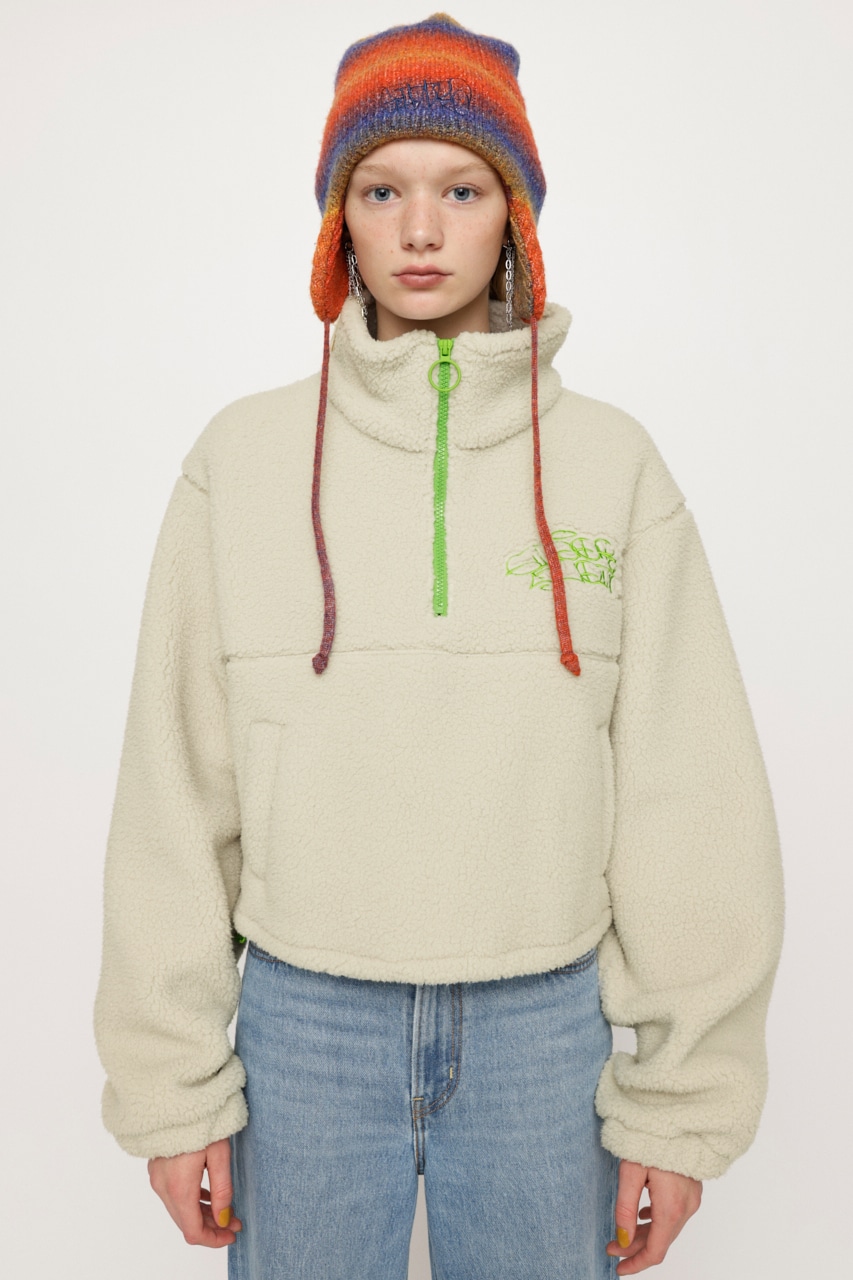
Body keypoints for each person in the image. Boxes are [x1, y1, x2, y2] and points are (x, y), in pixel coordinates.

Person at [93, 13, 785, 1279]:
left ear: (512, 215)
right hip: (302, 1020)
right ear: (338, 223)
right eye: (381, 190)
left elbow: (690, 794)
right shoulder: (241, 462)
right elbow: (174, 788)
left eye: (461, 189)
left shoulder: (613, 466)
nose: (420, 228)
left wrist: (680, 1106)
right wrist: (172, 1087)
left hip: (544, 1026)